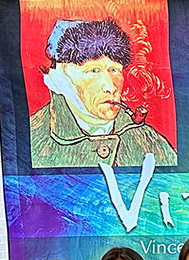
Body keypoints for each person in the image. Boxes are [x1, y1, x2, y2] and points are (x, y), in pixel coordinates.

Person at [30, 18, 176, 168]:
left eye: (114, 70)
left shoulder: (150, 142)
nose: (110, 87)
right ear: (64, 75)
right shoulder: (34, 139)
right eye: (94, 70)